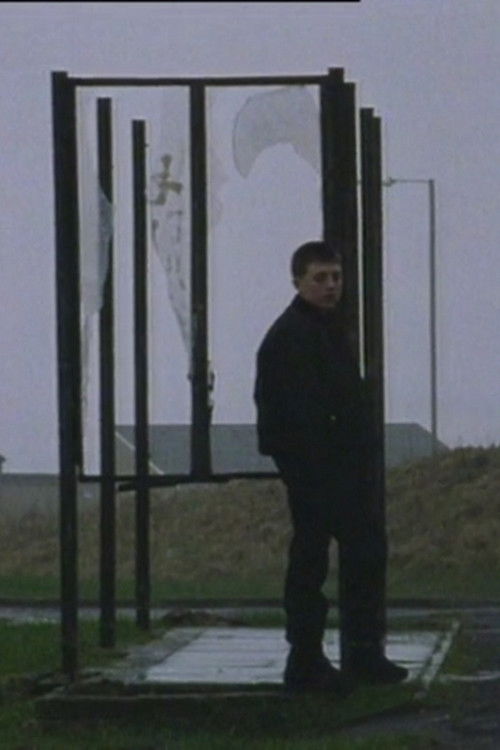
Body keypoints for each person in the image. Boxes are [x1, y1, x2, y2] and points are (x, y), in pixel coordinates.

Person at [254, 240, 408, 694]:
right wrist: (306, 464)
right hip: (317, 472)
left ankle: (357, 654)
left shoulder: (323, 330)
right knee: (314, 562)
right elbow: (287, 412)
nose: (330, 286)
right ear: (298, 281)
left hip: (337, 470)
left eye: (335, 277)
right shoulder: (292, 336)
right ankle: (310, 659)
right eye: (320, 278)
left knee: (357, 555)